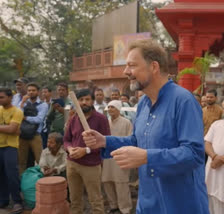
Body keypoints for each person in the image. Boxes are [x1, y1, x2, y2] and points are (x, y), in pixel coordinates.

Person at [82, 39, 209, 214]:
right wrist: (104, 141)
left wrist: (147, 157)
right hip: (149, 201)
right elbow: (137, 141)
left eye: (132, 65)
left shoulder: (183, 101)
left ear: (154, 67)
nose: (126, 72)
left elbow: (194, 154)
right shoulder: (143, 103)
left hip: (179, 202)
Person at [64, 89, 110, 214]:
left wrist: (86, 150)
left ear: (93, 101)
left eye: (87, 99)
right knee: (75, 199)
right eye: (81, 100)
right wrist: (69, 149)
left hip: (91, 165)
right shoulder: (74, 118)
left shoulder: (101, 119)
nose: (84, 102)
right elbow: (66, 140)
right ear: (77, 102)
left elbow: (107, 143)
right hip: (72, 164)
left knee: (95, 200)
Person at [0, 88, 24, 213]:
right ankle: (2, 200)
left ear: (10, 98)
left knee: (11, 175)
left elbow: (12, 130)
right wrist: (5, 127)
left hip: (10, 147)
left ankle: (17, 202)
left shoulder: (17, 111)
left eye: (2, 97)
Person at [102, 100, 133, 214]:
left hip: (122, 156)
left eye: (112, 107)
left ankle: (125, 209)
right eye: (109, 107)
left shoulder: (126, 122)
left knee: (121, 183)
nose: (110, 109)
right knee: (107, 181)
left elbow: (131, 139)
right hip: (107, 157)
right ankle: (113, 206)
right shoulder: (105, 122)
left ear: (119, 109)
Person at [18, 83, 49, 175]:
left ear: (38, 92)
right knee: (21, 161)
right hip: (22, 135)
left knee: (41, 160)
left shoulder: (43, 105)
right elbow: (17, 115)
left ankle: (43, 182)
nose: (31, 92)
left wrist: (25, 118)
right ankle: (22, 183)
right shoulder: (23, 102)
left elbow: (39, 119)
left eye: (33, 90)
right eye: (29, 90)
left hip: (35, 135)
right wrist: (22, 103)